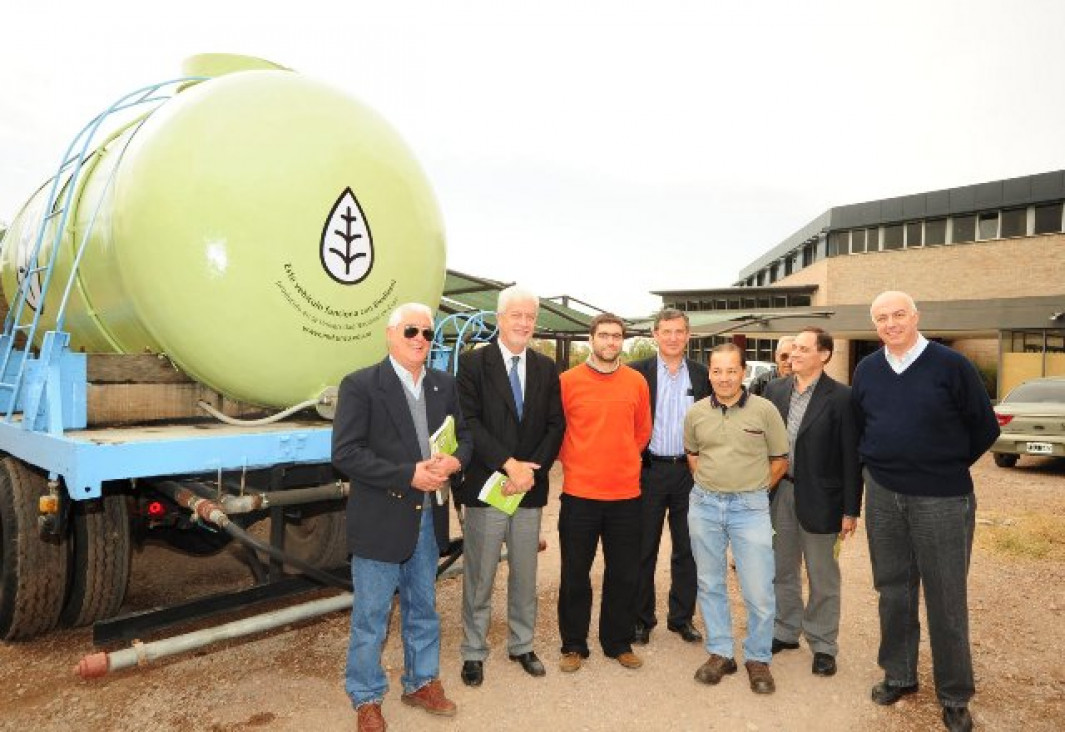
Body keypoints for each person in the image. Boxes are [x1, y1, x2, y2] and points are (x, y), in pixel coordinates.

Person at [853, 291, 999, 732]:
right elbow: (863, 427)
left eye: (899, 314)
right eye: (882, 317)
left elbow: (984, 426)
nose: (891, 323)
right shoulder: (867, 369)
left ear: (916, 316)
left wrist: (943, 466)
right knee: (892, 589)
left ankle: (955, 695)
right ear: (874, 325)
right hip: (882, 494)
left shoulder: (950, 365)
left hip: (942, 498)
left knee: (946, 597)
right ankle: (899, 674)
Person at [332, 302, 473, 732]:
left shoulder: (444, 385)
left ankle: (421, 681)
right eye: (412, 330)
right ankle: (366, 696)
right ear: (391, 334)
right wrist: (407, 474)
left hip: (429, 518)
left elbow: (465, 436)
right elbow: (346, 454)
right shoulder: (360, 385)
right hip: (381, 517)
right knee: (372, 615)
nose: (420, 339)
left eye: (428, 333)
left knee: (423, 607)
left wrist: (454, 463)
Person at [455, 286, 565, 687]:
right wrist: (509, 464)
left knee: (525, 572)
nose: (523, 322)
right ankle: (473, 650)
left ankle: (522, 644)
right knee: (480, 574)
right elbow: (468, 422)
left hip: (529, 488)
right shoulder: (472, 364)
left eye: (530, 317)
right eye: (516, 315)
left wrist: (530, 471)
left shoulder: (545, 367)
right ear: (499, 318)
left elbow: (556, 424)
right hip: (489, 485)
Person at [684, 342, 788, 695]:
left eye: (731, 370)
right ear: (709, 373)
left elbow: (780, 460)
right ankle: (721, 653)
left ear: (743, 373)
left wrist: (754, 489)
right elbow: (693, 455)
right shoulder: (696, 412)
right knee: (710, 582)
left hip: (750, 508)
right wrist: (710, 486)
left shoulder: (765, 410)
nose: (724, 378)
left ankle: (758, 657)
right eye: (717, 370)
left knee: (758, 589)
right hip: (705, 506)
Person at [557, 313, 652, 673]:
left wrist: (622, 460)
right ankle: (573, 645)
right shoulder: (568, 382)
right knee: (575, 573)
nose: (611, 342)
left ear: (622, 341)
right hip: (580, 493)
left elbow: (642, 431)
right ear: (591, 339)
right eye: (604, 335)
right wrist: (580, 462)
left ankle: (617, 642)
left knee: (624, 573)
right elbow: (559, 432)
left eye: (617, 336)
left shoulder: (637, 383)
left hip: (626, 495)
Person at [763, 327, 861, 677]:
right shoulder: (775, 390)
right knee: (780, 568)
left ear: (824, 355)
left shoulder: (842, 398)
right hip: (780, 493)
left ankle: (822, 643)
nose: (793, 355)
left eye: (803, 349)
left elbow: (852, 457)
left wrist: (851, 509)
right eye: (792, 350)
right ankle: (785, 630)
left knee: (822, 575)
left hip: (824, 500)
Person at [629, 308, 710, 646]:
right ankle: (641, 619)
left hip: (689, 473)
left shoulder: (703, 374)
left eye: (679, 331)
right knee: (642, 548)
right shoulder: (636, 373)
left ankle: (681, 618)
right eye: (667, 331)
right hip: (648, 470)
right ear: (655, 334)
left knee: (688, 549)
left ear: (688, 335)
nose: (673, 337)